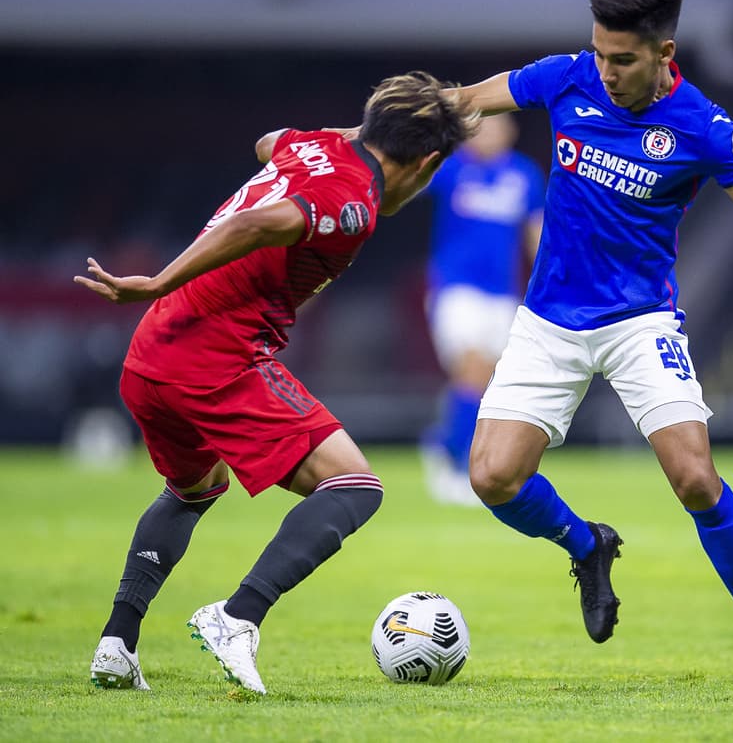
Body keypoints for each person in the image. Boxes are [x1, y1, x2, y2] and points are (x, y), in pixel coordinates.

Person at [446, 0, 733, 684]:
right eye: (599, 53)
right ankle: (585, 545)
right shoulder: (565, 77)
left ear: (664, 52)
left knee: (695, 479)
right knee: (493, 477)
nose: (606, 71)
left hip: (639, 320)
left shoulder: (702, 126)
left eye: (622, 59)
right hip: (549, 319)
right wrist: (355, 140)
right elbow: (462, 103)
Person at [79, 72, 475, 694]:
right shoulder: (352, 205)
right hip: (215, 356)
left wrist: (363, 133)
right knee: (354, 486)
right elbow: (254, 226)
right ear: (427, 163)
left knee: (192, 489)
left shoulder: (314, 146)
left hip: (154, 352)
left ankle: (116, 643)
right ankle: (237, 616)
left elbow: (268, 143)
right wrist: (156, 280)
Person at [419, 112, 544, 506]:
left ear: (511, 131)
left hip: (503, 293)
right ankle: (457, 465)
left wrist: (546, 280)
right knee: (471, 370)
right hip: (456, 288)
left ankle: (443, 442)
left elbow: (535, 230)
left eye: (496, 126)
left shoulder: (524, 173)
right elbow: (407, 183)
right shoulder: (453, 168)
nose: (489, 134)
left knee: (488, 382)